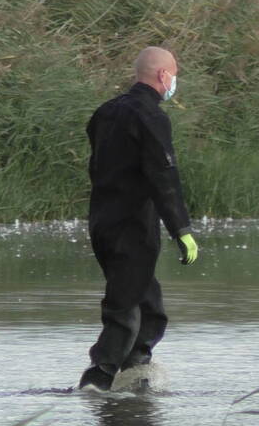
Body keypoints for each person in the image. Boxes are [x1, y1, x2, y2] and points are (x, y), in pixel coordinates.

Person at [79, 46, 199, 391]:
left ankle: (135, 378)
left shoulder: (104, 113)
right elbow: (165, 176)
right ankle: (98, 378)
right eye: (174, 74)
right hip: (131, 225)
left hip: (102, 221)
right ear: (163, 76)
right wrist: (182, 230)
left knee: (150, 311)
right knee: (126, 310)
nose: (175, 81)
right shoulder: (151, 117)